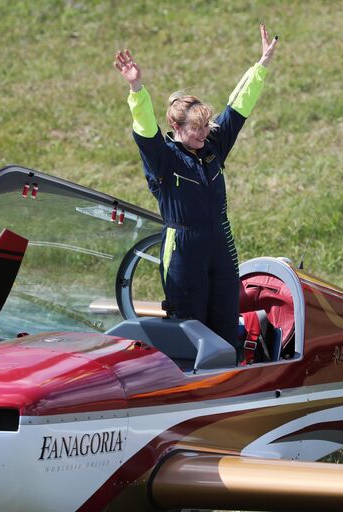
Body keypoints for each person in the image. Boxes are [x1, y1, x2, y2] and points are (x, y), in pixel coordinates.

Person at [114, 25, 278, 360]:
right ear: (176, 127)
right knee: (190, 326)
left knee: (225, 320)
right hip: (183, 250)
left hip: (220, 241)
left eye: (206, 126)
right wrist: (136, 88)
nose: (205, 133)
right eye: (196, 128)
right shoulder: (162, 158)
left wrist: (259, 66)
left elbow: (238, 110)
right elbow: (145, 128)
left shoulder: (213, 143)